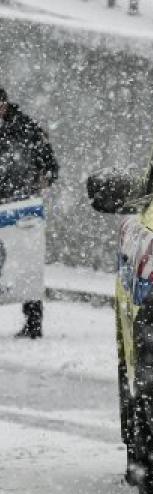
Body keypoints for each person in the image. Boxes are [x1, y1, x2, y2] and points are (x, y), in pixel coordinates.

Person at [0, 86, 58, 339]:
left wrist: (40, 181)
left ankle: (33, 321)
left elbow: (50, 168)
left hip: (20, 206)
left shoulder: (26, 129)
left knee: (26, 264)